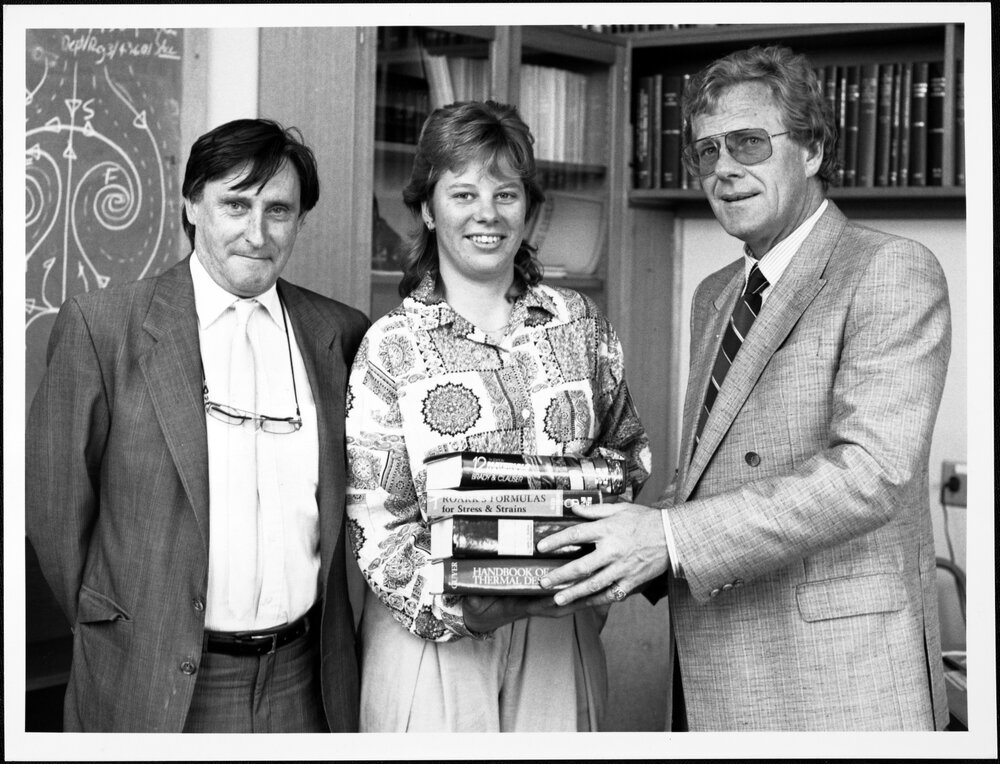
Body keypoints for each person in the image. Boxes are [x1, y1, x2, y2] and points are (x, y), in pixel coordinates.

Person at [537, 45, 952, 731]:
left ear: (812, 150)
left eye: (749, 144)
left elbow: (871, 476)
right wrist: (603, 546)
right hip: (715, 660)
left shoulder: (889, 270)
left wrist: (665, 538)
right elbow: (710, 482)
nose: (724, 169)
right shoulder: (716, 294)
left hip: (836, 682)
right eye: (707, 152)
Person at [25, 118, 370, 732]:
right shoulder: (103, 327)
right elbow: (56, 516)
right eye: (235, 204)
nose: (256, 232)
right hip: (148, 677)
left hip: (303, 678)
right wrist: (125, 624)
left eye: (279, 210)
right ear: (191, 204)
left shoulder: (339, 333)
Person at [344, 100, 651, 732]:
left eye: (506, 192)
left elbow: (626, 456)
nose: (487, 212)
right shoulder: (389, 345)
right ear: (428, 209)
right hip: (431, 640)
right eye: (462, 193)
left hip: (558, 626)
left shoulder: (579, 325)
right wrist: (470, 598)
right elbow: (377, 522)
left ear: (528, 207)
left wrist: (571, 570)